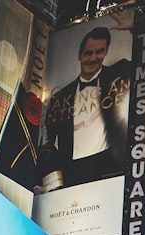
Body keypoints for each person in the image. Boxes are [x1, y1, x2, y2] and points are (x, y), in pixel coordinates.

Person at [38, 18, 132, 191]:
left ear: (106, 52)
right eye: (88, 53)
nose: (93, 58)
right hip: (72, 173)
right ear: (80, 55)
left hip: (110, 167)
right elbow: (48, 146)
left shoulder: (121, 72)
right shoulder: (60, 97)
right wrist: (50, 187)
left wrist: (136, 27)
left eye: (99, 52)